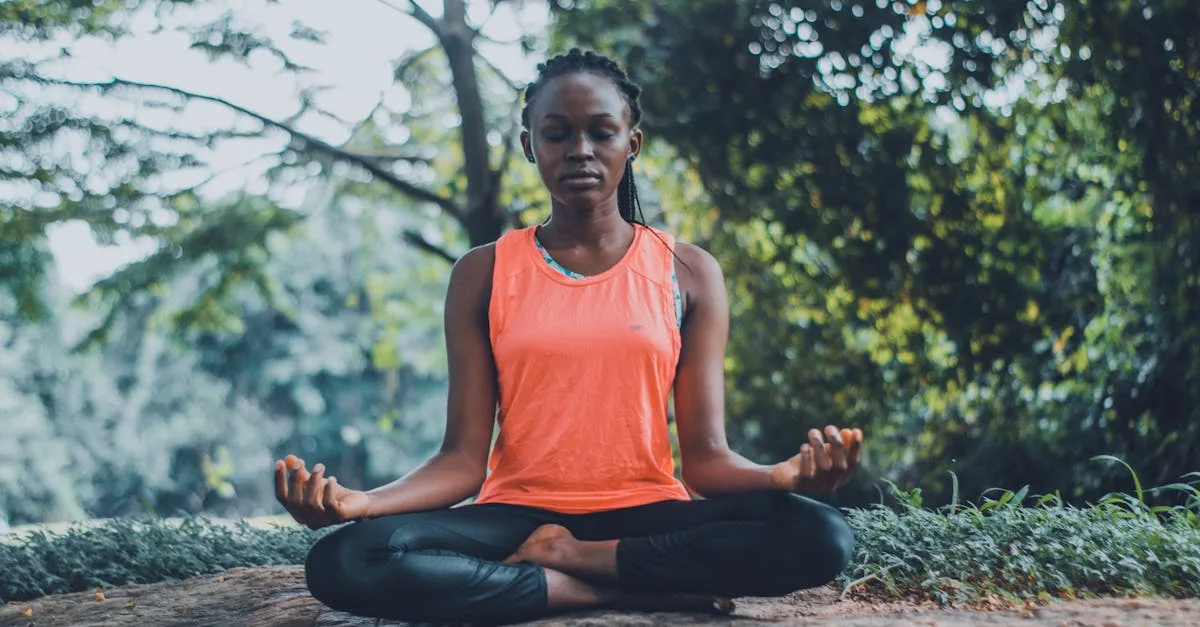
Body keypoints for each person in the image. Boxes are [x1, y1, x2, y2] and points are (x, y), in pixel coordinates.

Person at [273, 48, 864, 625]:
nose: (580, 150)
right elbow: (460, 460)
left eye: (601, 132)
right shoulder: (484, 272)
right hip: (514, 516)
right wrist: (363, 503)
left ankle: (571, 562)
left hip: (645, 514)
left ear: (631, 143)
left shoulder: (687, 271)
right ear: (531, 144)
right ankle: (604, 594)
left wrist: (781, 477)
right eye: (557, 134)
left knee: (820, 534)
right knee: (346, 559)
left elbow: (706, 462)